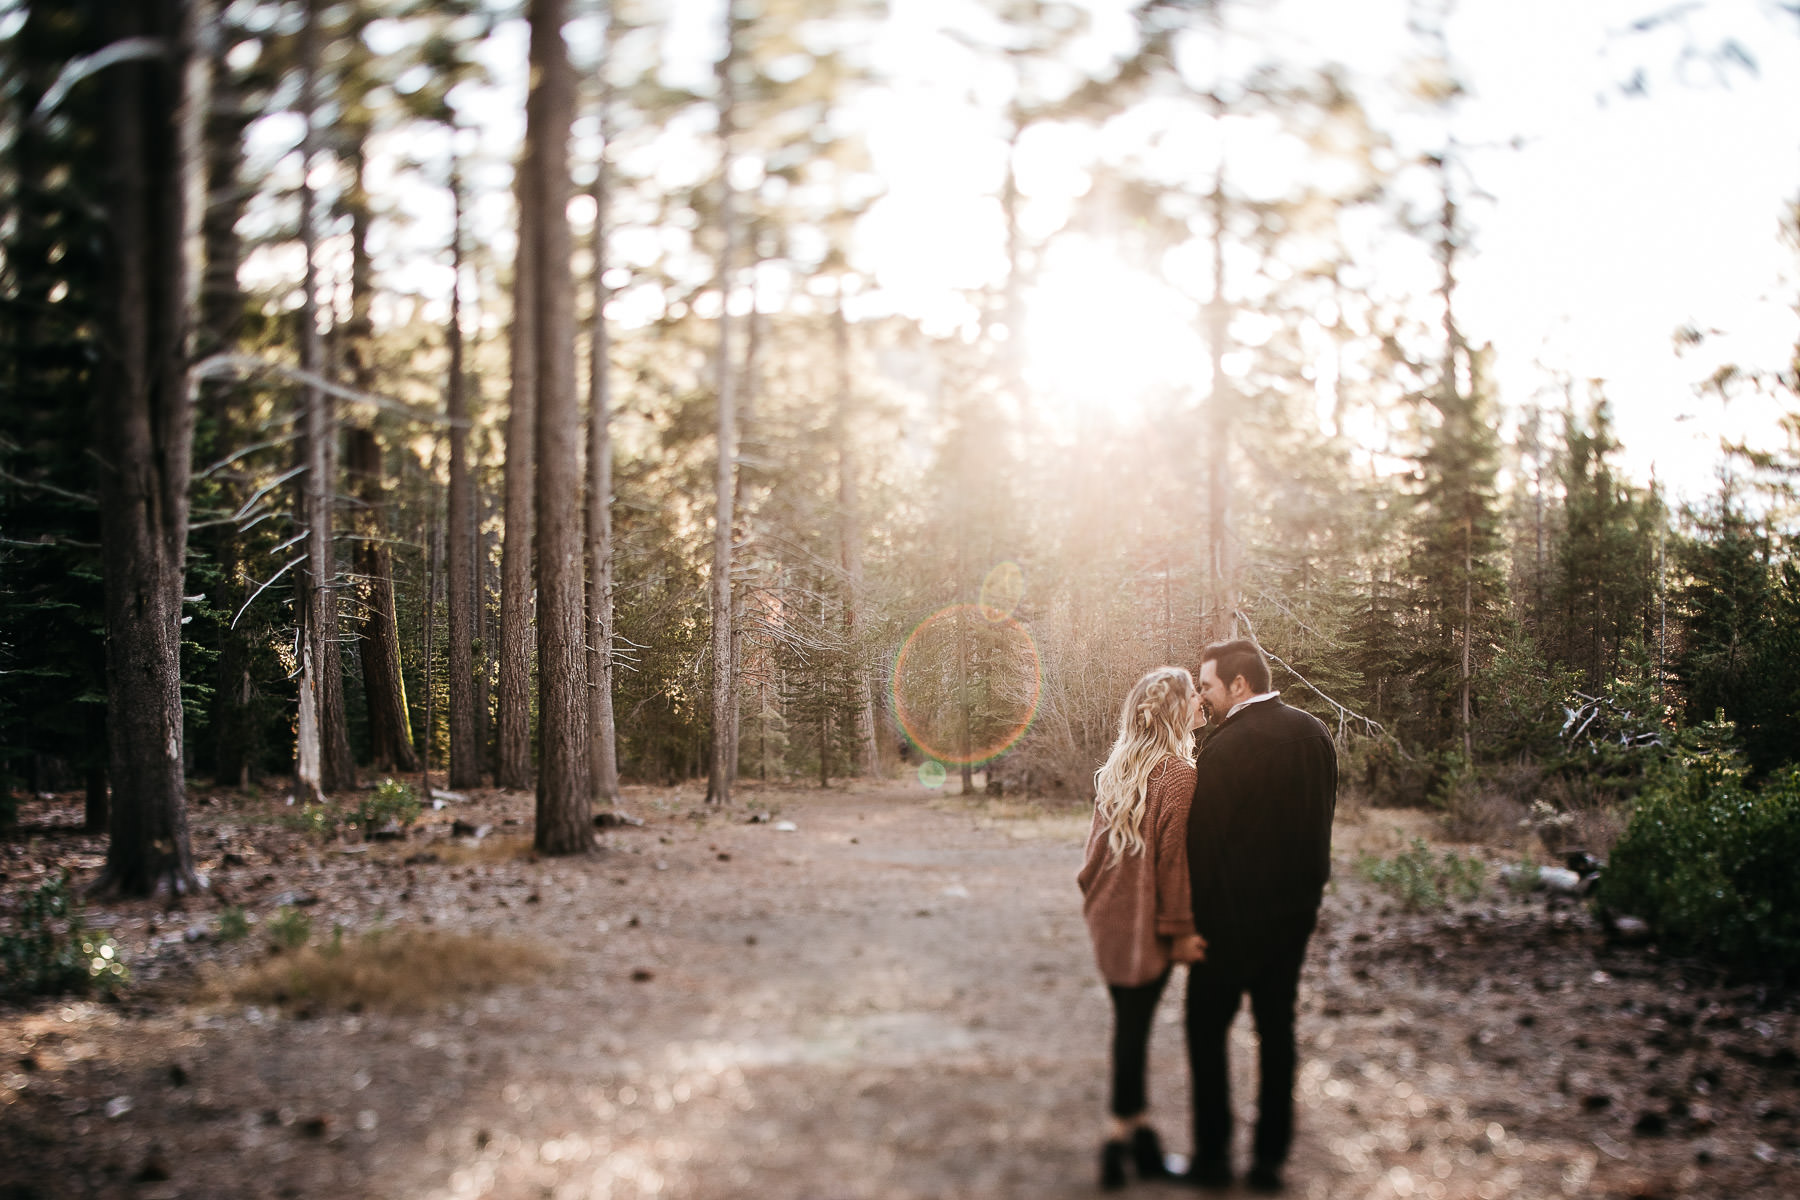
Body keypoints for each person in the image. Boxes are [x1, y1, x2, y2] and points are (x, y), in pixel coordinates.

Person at [1183, 639, 1336, 1194]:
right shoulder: (1314, 733)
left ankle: (1213, 1157)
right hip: (1292, 917)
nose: (1203, 696)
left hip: (1227, 923)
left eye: (1207, 686)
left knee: (1206, 1031)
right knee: (1277, 1031)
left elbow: (1202, 847)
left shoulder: (1225, 747)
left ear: (1239, 684)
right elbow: (1321, 827)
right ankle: (1269, 1160)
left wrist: (1192, 923)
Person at [1077, 666, 1210, 1191]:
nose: (1201, 700)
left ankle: (1140, 1139)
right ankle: (1119, 1141)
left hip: (1108, 918)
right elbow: (1173, 864)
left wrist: (1097, 896)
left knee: (1129, 1026)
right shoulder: (1178, 774)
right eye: (1193, 694)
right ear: (1176, 710)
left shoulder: (1118, 768)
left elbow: (1091, 858)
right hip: (1142, 927)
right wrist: (1180, 932)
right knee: (1133, 1030)